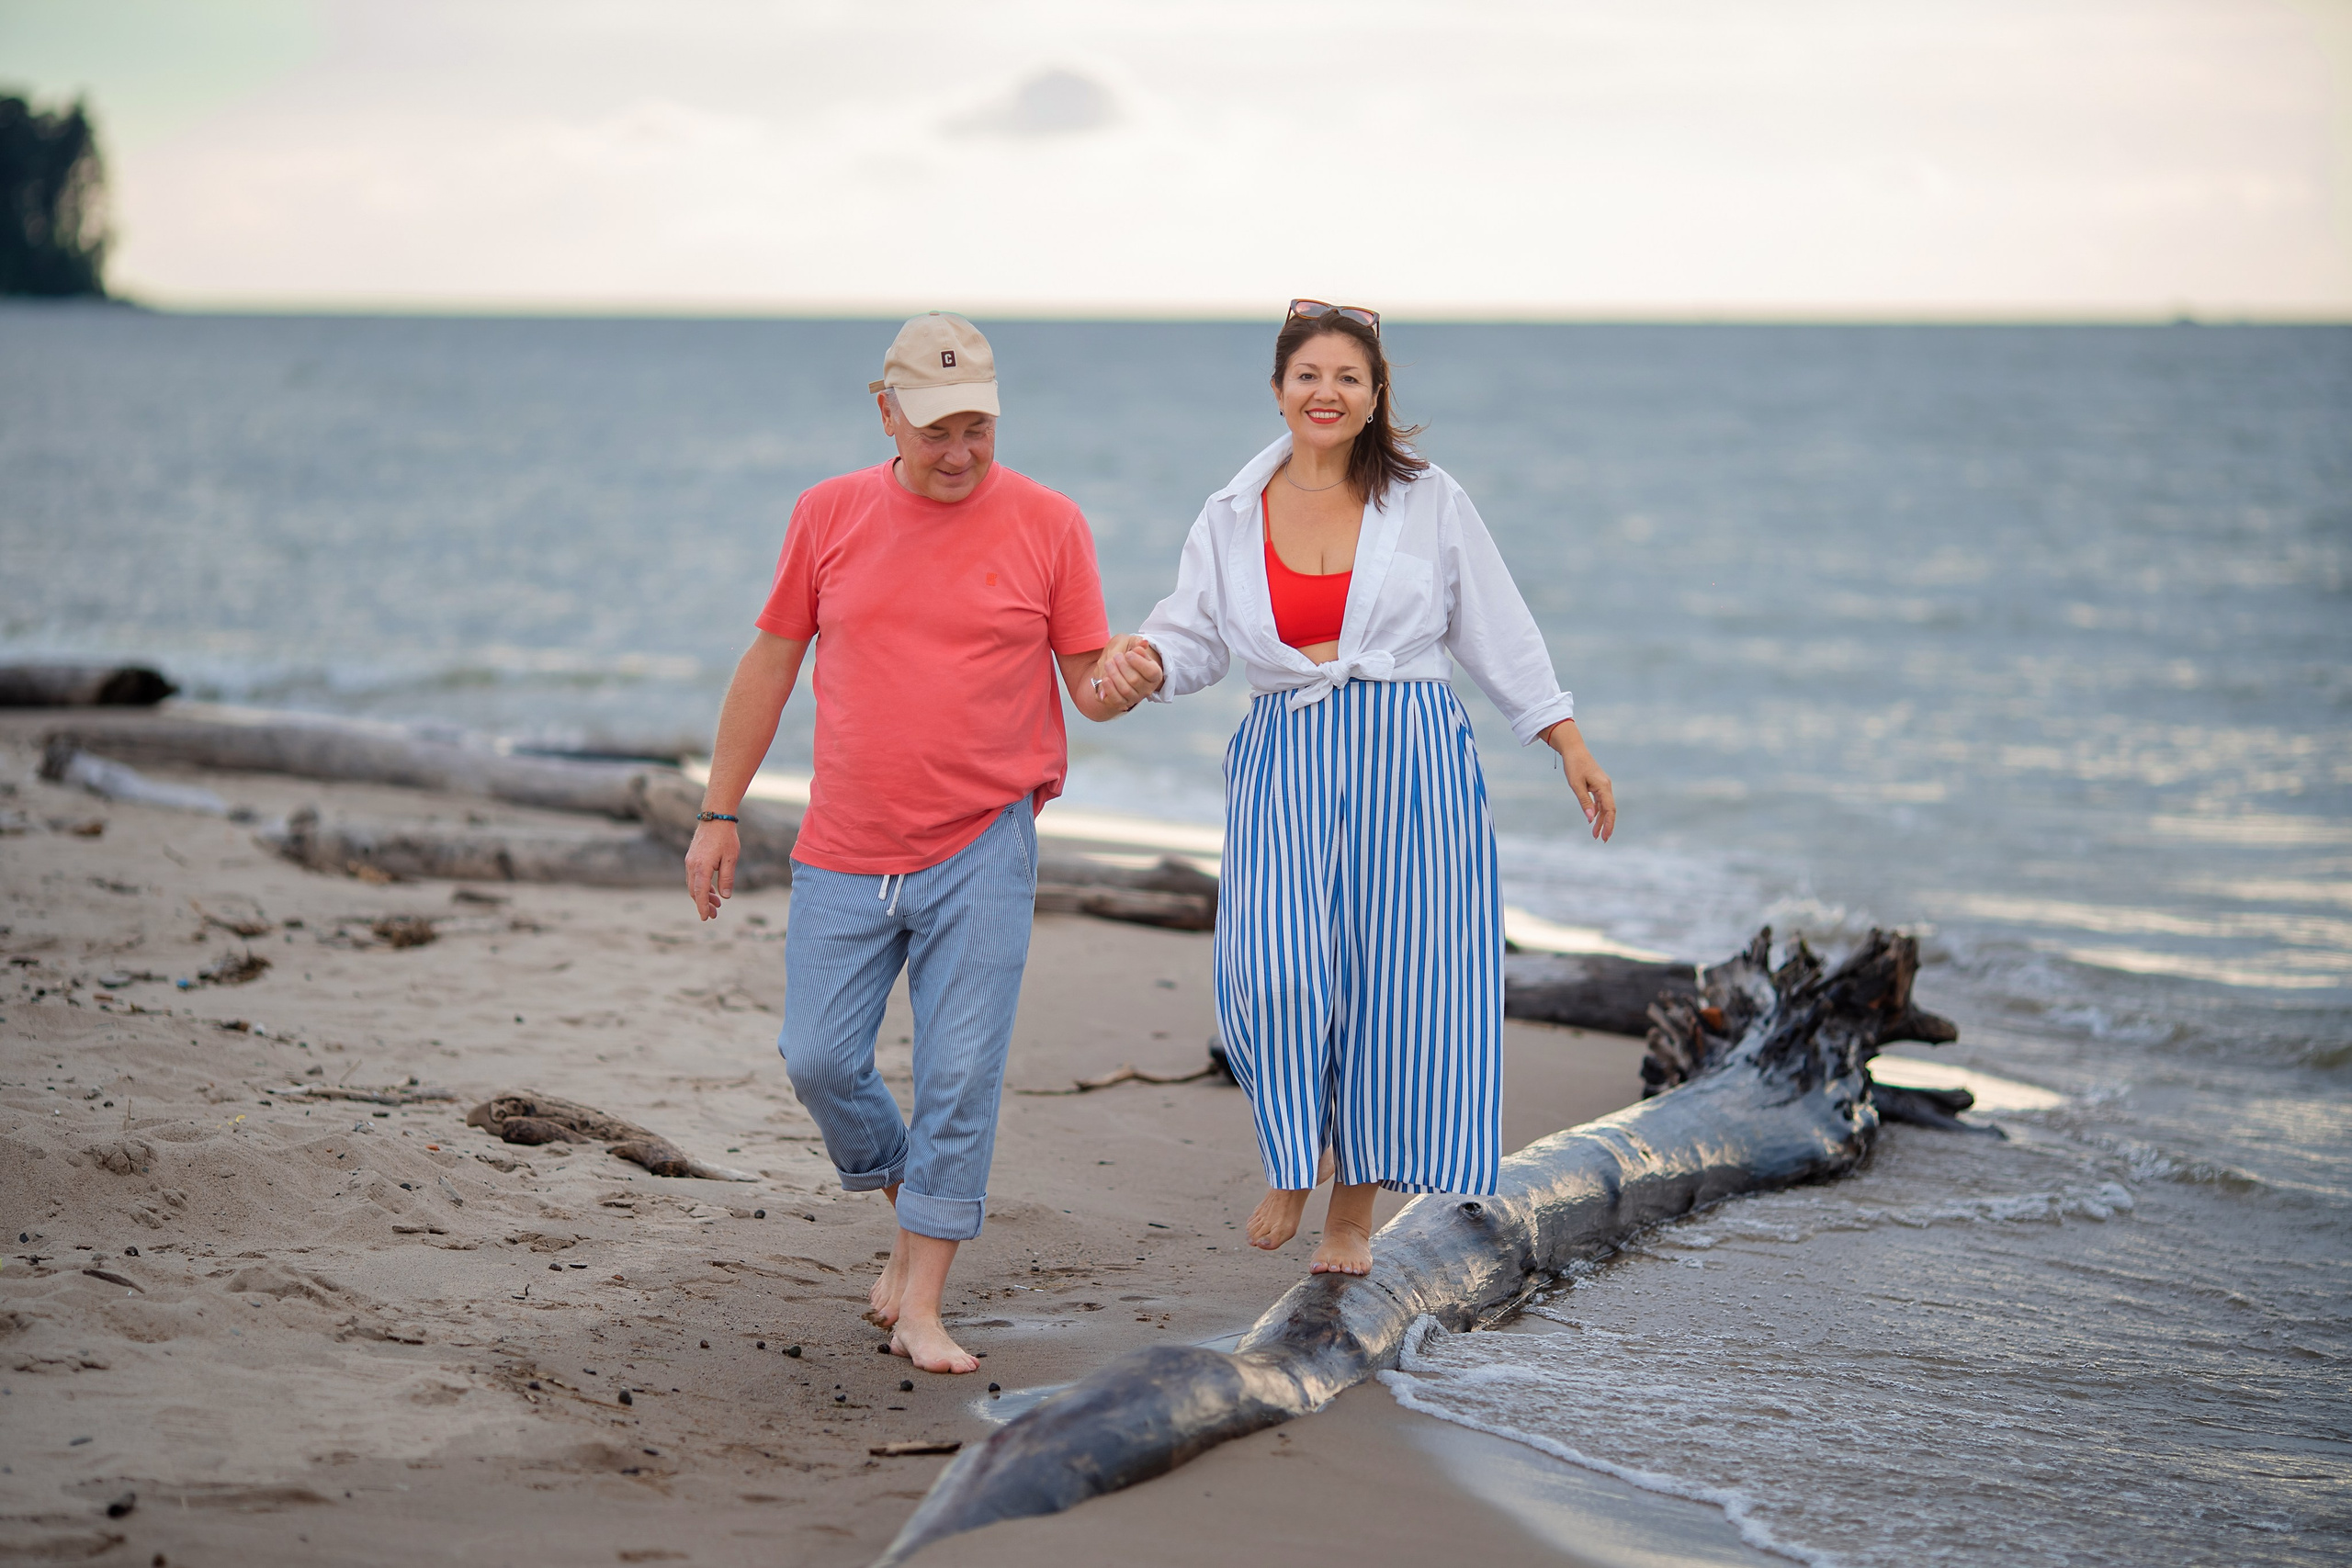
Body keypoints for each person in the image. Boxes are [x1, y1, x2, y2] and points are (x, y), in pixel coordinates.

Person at [1101, 299, 1616, 1276]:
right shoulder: (1229, 514)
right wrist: (1143, 664)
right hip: (1286, 748)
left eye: (1348, 377)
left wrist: (1565, 742)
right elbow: (1193, 634)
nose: (1326, 392)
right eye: (1308, 375)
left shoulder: (1428, 500)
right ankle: (1290, 1156)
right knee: (1272, 969)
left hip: (1410, 749)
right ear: (1278, 389)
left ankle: (1348, 1210)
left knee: (1395, 985)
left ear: (1377, 395)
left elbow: (1495, 629)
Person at [684, 312, 1152, 1373]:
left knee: (958, 1076)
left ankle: (922, 1304)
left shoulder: (1050, 523)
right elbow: (769, 664)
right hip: (845, 844)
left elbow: (1087, 683)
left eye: (978, 427)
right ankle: (912, 1211)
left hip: (983, 844)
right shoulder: (827, 514)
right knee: (818, 1059)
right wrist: (718, 813)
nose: (958, 452)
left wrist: (1122, 681)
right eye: (936, 429)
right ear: (884, 407)